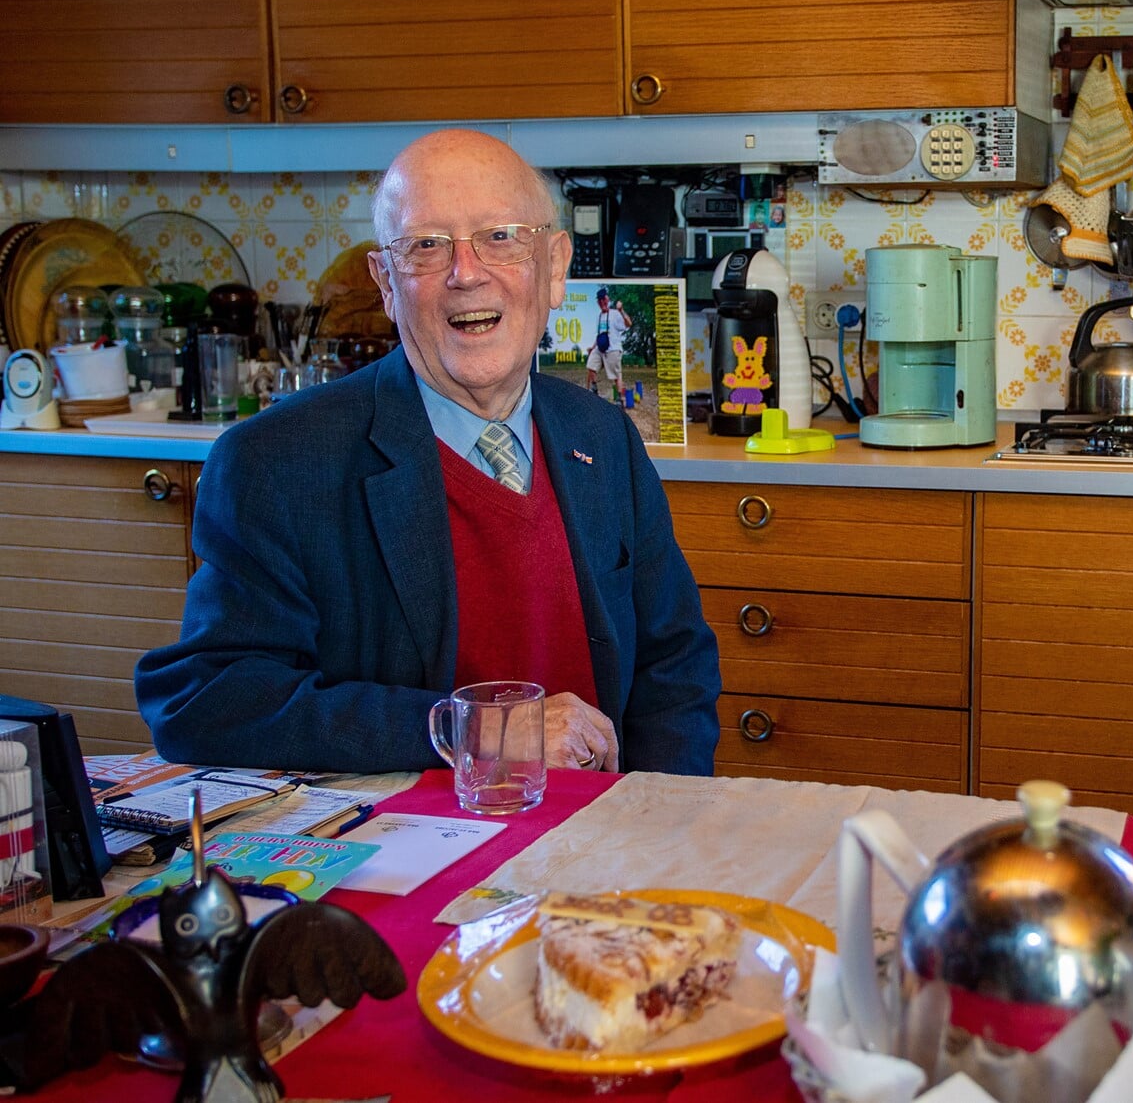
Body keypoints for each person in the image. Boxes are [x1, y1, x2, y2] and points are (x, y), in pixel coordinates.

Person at [135, 129, 721, 776]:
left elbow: (675, 665)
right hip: (409, 852)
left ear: (554, 268)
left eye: (500, 236)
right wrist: (473, 731)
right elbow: (210, 702)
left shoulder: (605, 437)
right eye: (427, 246)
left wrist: (656, 814)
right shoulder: (275, 461)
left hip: (595, 847)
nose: (466, 273)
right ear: (386, 283)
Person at [586, 286, 630, 400]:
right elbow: (599, 334)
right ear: (598, 302)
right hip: (600, 348)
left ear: (607, 299)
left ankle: (620, 399)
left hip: (613, 349)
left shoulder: (615, 314)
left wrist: (622, 311)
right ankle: (594, 390)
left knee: (616, 376)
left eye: (603, 300)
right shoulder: (599, 316)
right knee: (591, 366)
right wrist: (592, 347)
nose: (602, 302)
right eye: (599, 301)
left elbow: (628, 324)